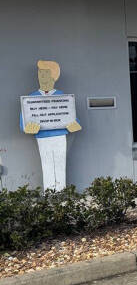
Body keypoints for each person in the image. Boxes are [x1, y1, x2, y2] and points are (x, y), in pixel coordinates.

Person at [20, 61, 81, 190]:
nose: (42, 76)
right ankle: (49, 193)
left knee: (60, 164)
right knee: (46, 165)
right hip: (42, 137)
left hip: (59, 136)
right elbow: (23, 122)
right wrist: (27, 128)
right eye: (40, 73)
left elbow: (72, 118)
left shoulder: (62, 96)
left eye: (46, 73)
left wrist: (74, 125)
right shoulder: (30, 98)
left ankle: (61, 192)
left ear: (54, 77)